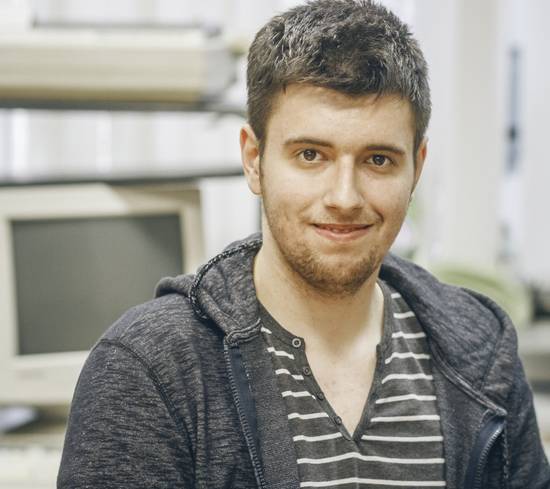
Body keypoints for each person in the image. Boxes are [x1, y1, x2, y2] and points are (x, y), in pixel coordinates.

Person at [58, 1, 550, 488]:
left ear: (416, 168)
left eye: (378, 160)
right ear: (254, 159)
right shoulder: (149, 369)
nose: (344, 198)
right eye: (311, 155)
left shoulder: (482, 351)